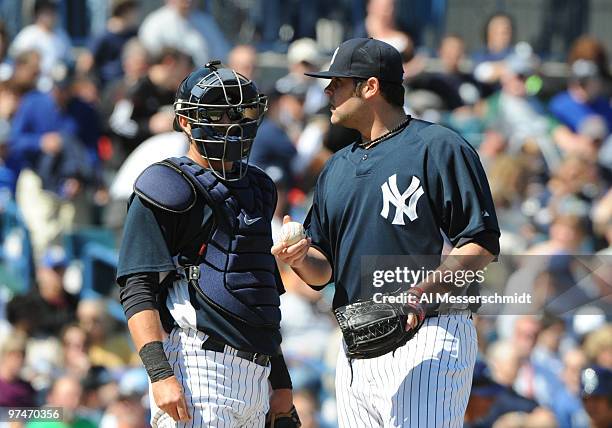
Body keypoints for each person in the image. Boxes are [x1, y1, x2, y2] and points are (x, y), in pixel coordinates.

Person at [272, 38, 500, 427]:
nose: (327, 91)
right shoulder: (335, 168)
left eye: (337, 83)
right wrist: (298, 260)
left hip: (428, 332)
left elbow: (480, 244)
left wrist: (424, 292)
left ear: (371, 86)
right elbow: (322, 270)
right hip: (356, 344)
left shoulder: (438, 146)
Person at [117, 61, 298, 426]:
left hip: (257, 374)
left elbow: (258, 294)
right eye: (217, 114)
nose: (231, 124)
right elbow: (137, 287)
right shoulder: (166, 185)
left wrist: (280, 381)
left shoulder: (259, 189)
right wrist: (159, 374)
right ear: (186, 121)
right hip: (197, 366)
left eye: (239, 112)